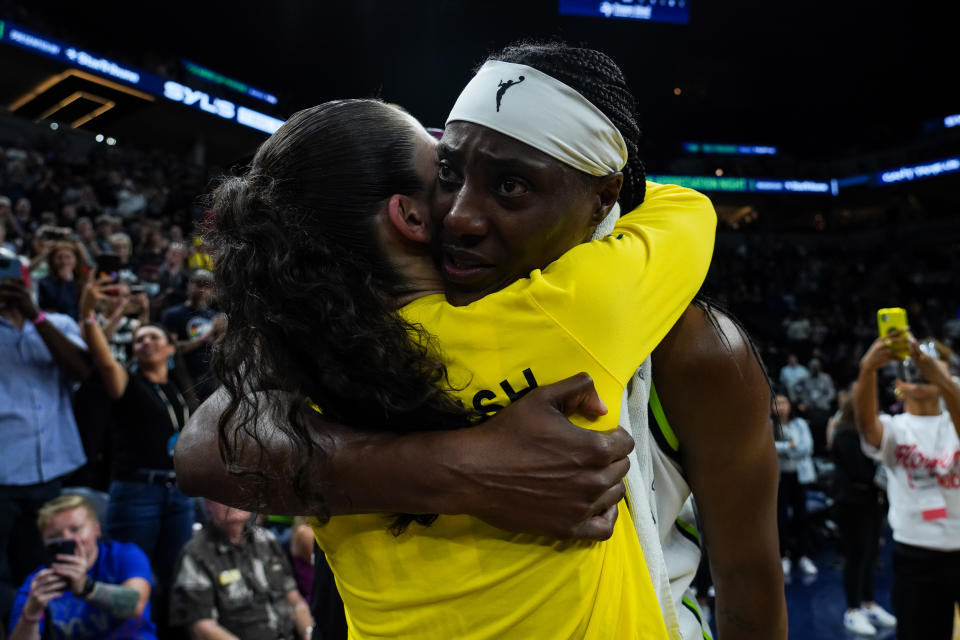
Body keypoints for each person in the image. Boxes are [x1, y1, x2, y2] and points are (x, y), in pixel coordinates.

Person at [179, 42, 784, 639]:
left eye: (513, 186)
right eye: (448, 172)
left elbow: (749, 580)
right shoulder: (348, 317)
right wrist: (464, 469)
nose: (461, 215)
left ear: (604, 197)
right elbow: (206, 444)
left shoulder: (696, 347)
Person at [78, 278, 198, 611]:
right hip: (136, 493)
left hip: (179, 495)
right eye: (139, 339)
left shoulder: (179, 390)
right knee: (132, 582)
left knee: (177, 581)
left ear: (170, 348)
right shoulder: (126, 382)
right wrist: (88, 313)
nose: (145, 342)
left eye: (153, 337)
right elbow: (102, 359)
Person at [854, 332, 960, 639]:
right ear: (898, 384)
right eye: (910, 368)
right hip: (915, 556)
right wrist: (867, 369)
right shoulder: (894, 427)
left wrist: (942, 379)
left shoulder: (954, 415)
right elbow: (867, 428)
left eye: (925, 367)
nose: (919, 372)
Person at [0, 276, 90, 622]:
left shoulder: (57, 323)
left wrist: (33, 316)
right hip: (3, 475)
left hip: (49, 473)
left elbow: (81, 369)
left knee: (46, 574)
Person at [8, 495, 156, 639]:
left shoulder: (123, 556)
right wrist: (31, 614)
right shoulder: (38, 583)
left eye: (75, 529)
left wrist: (86, 587)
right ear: (43, 542)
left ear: (96, 529)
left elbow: (136, 605)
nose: (67, 539)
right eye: (55, 536)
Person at [169, 500, 314, 639]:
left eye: (239, 491)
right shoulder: (196, 554)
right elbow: (201, 628)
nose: (233, 501)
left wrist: (308, 632)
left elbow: (294, 599)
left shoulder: (267, 539)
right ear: (208, 503)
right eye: (223, 496)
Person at [830, 395, 895, 636]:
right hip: (850, 504)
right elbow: (859, 471)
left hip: (872, 503)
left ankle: (869, 604)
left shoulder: (870, 435)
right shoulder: (844, 435)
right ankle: (852, 610)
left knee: (870, 554)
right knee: (855, 556)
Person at [774, 392, 819, 577]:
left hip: (799, 476)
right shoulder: (769, 425)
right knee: (780, 518)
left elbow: (806, 448)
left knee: (802, 516)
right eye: (776, 403)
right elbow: (767, 447)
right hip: (779, 477)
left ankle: (803, 556)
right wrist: (789, 446)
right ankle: (783, 556)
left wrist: (781, 448)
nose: (781, 406)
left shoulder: (799, 424)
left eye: (783, 402)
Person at [160, 269, 223, 400]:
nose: (202, 289)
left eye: (207, 286)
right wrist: (207, 335)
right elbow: (172, 349)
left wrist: (221, 335)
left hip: (211, 376)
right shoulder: (173, 314)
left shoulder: (213, 316)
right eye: (199, 284)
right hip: (184, 377)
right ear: (189, 285)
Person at [36, 241, 84, 320]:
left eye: (68, 257)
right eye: (59, 257)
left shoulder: (82, 281)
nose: (64, 262)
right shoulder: (44, 283)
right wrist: (66, 282)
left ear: (76, 260)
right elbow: (64, 308)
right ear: (52, 261)